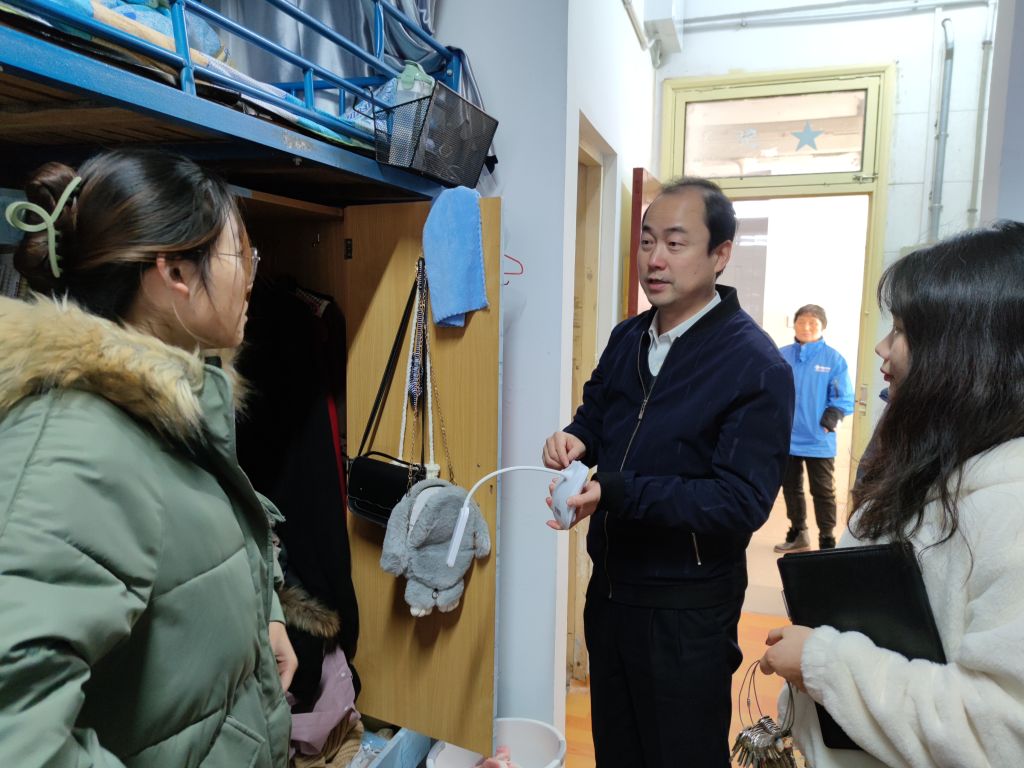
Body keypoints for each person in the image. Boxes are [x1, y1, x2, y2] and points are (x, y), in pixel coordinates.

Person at [0, 150, 294, 767]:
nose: (251, 279)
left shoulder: (165, 409)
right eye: (242, 256)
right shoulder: (74, 449)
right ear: (175, 273)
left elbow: (196, 540)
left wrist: (262, 616)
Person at [542, 177, 795, 766]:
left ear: (720, 254)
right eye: (647, 240)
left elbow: (740, 501)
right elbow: (598, 413)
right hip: (610, 591)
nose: (655, 259)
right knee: (618, 750)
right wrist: (576, 438)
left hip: (687, 609)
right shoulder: (628, 336)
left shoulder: (754, 364)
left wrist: (617, 491)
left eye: (676, 243)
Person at [759, 221, 1024, 767]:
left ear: (968, 351)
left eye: (901, 330)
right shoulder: (933, 465)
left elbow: (999, 734)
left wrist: (823, 662)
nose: (882, 348)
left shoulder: (1011, 509)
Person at [774, 304, 854, 552]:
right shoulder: (781, 355)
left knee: (823, 491)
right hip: (787, 439)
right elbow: (769, 389)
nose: (806, 327)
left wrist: (829, 423)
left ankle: (827, 540)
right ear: (794, 324)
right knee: (791, 488)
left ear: (823, 327)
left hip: (819, 440)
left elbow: (844, 399)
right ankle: (798, 532)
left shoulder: (834, 359)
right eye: (801, 322)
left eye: (813, 323)